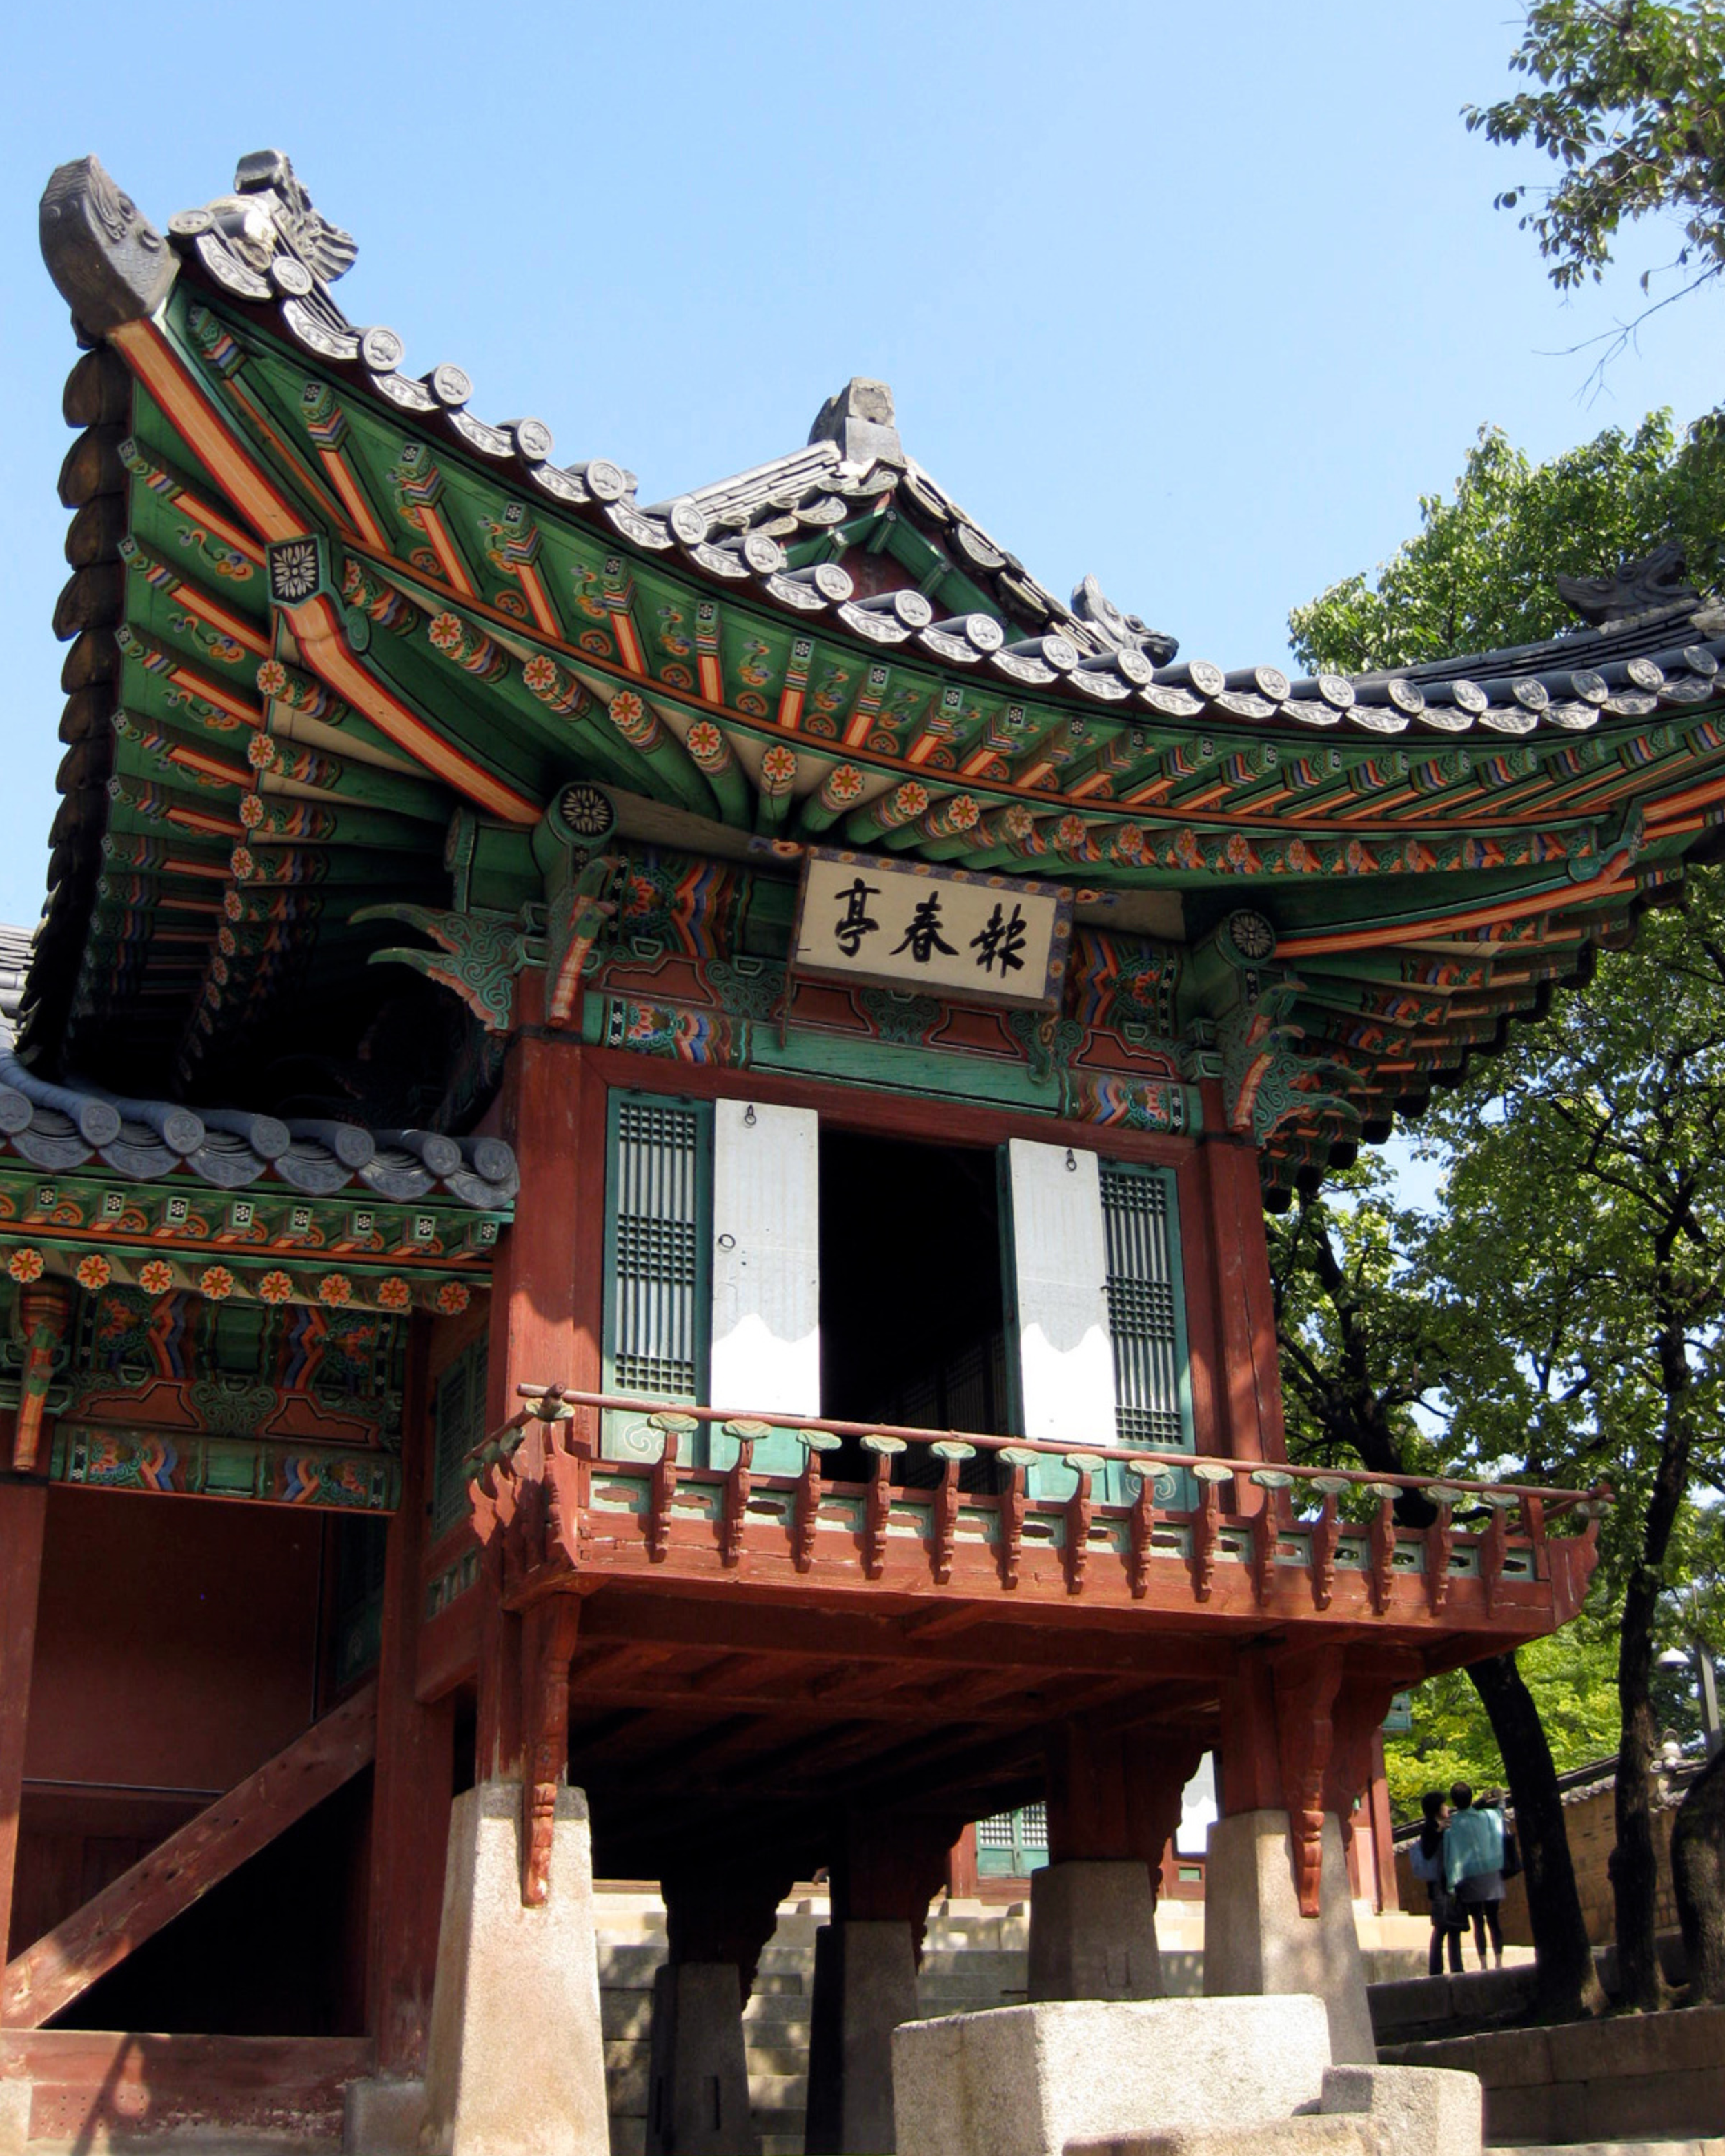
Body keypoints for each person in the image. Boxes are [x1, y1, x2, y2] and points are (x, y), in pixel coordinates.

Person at [1443, 1781, 1506, 1968]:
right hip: (1491, 1872)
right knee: (1494, 1919)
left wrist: (1451, 1885)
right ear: (1471, 1797)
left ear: (1454, 1802)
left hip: (1469, 1877)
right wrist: (1500, 1797)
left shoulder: (1451, 1827)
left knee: (1478, 1921)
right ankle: (1499, 1961)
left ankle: (1484, 1963)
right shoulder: (1487, 1816)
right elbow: (1500, 1812)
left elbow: (1450, 1857)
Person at [1408, 1789, 1463, 1975]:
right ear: (1436, 1808)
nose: (1447, 1808)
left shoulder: (1447, 1825)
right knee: (1441, 1927)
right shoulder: (1429, 1829)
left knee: (1454, 1926)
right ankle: (1436, 1968)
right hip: (1439, 1885)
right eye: (1444, 1805)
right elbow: (1428, 1852)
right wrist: (1439, 1832)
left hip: (1451, 1881)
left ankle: (1457, 1967)